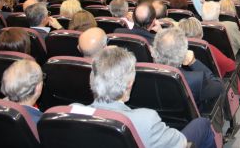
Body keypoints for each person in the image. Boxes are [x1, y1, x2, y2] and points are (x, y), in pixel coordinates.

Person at [73, 46, 215, 148]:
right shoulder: (146, 119)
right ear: (130, 83)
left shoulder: (72, 112)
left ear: (93, 79)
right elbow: (182, 143)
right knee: (201, 124)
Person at [152, 28, 223, 113]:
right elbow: (219, 86)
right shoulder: (195, 80)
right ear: (184, 52)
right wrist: (193, 62)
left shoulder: (139, 72)